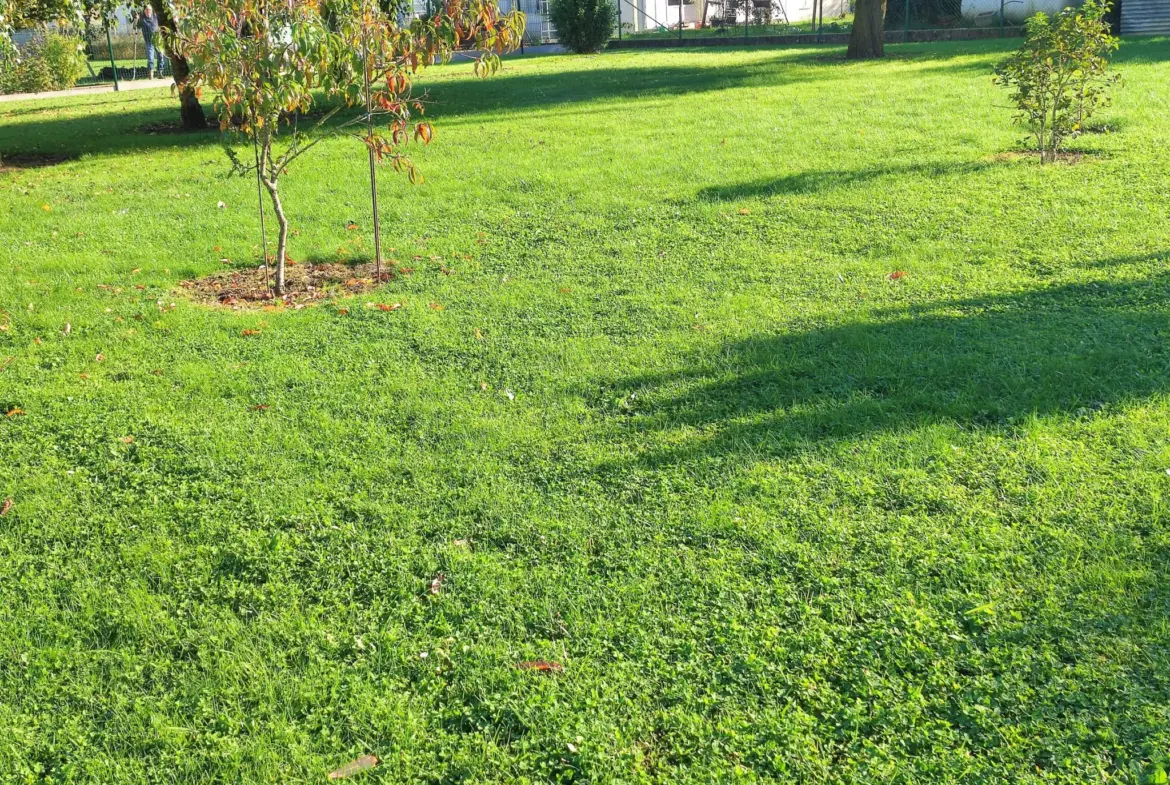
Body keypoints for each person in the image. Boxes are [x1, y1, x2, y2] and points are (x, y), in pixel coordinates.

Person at [136, 4, 164, 79]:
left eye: (149, 10)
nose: (148, 11)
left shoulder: (155, 17)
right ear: (144, 11)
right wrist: (137, 19)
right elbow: (136, 26)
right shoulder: (142, 19)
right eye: (147, 10)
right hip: (149, 41)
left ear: (151, 10)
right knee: (150, 58)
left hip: (158, 41)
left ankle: (160, 73)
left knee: (161, 56)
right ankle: (151, 74)